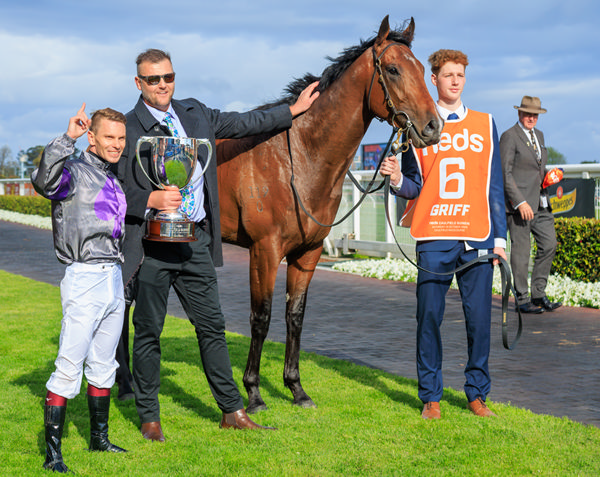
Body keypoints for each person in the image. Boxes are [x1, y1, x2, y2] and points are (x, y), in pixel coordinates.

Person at [114, 48, 319, 442]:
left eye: (168, 77)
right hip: (151, 247)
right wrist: (149, 201)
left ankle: (232, 411)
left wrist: (291, 111)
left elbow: (245, 123)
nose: (162, 85)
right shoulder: (129, 127)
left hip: (194, 242)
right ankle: (150, 417)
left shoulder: (195, 113)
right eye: (153, 79)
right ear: (138, 83)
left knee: (213, 328)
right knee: (149, 332)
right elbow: (115, 188)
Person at [380, 49, 507, 420]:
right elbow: (414, 186)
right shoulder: (417, 124)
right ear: (433, 79)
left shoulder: (485, 124)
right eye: (448, 75)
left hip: (477, 238)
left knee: (478, 321)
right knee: (429, 317)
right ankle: (431, 396)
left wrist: (499, 240)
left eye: (460, 75)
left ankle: (477, 394)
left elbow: (493, 186)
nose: (455, 81)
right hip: (434, 236)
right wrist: (396, 179)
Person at [31, 105, 128, 472]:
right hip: (84, 276)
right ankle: (53, 454)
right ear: (92, 136)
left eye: (121, 138)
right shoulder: (73, 171)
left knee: (104, 363)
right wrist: (66, 138)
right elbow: (44, 181)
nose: (116, 144)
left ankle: (98, 440)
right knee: (70, 364)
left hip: (112, 278)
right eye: (109, 137)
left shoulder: (112, 176)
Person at [500, 96, 562, 314]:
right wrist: (520, 202)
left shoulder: (540, 135)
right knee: (522, 251)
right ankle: (522, 299)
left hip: (541, 202)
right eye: (527, 114)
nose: (531, 118)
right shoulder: (509, 136)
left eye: (535, 115)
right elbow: (505, 174)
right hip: (519, 206)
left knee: (549, 244)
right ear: (519, 114)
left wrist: (549, 176)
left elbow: (536, 168)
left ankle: (538, 293)